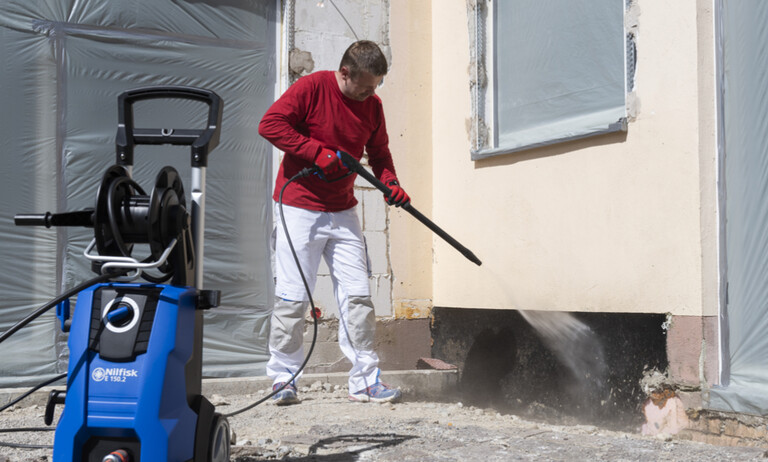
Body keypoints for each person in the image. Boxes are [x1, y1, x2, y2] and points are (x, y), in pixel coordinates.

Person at [258, 40, 410, 405]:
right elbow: (270, 124)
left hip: (342, 211)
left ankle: (365, 382)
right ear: (345, 73)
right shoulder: (311, 88)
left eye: (377, 85)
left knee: (358, 297)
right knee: (293, 298)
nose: (373, 93)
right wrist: (316, 152)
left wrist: (390, 183)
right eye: (367, 85)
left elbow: (380, 153)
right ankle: (283, 378)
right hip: (298, 206)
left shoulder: (372, 106)